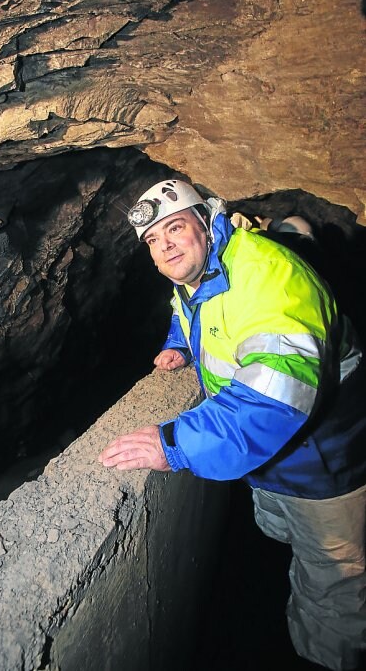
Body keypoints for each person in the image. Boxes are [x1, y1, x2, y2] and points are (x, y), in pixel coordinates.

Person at [99, 179, 366, 671]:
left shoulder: (268, 274)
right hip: (271, 462)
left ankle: (329, 660)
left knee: (338, 585)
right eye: (154, 241)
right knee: (282, 537)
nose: (165, 247)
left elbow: (275, 396)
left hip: (325, 462)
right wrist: (179, 344)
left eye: (175, 229)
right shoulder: (200, 276)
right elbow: (190, 312)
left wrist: (174, 442)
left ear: (207, 222)